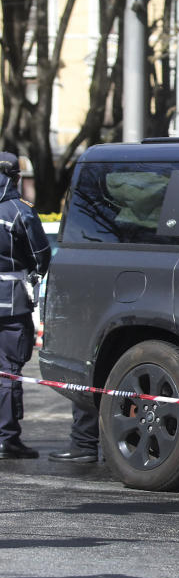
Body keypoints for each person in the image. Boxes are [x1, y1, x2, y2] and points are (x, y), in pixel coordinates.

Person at [0, 152, 51, 459]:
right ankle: (7, 437)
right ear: (15, 177)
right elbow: (41, 254)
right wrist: (33, 277)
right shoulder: (18, 212)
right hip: (11, 302)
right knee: (8, 371)